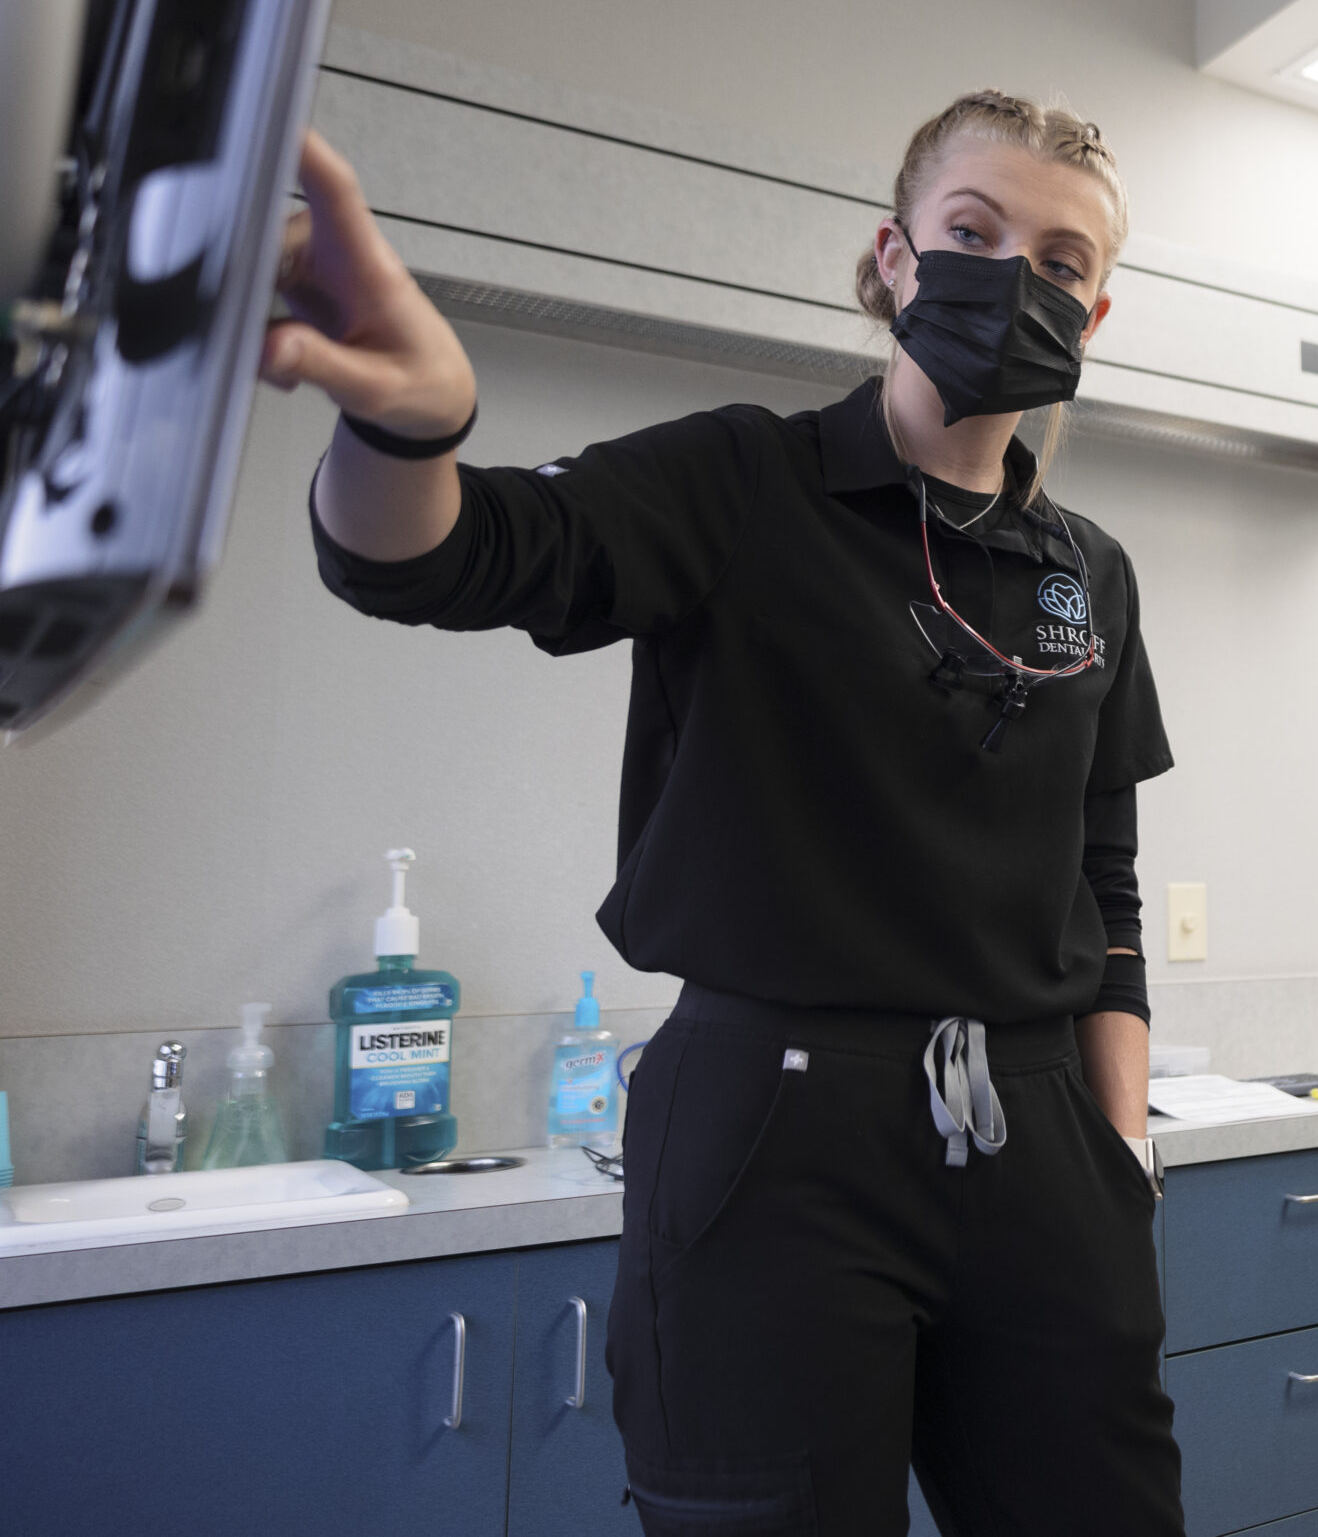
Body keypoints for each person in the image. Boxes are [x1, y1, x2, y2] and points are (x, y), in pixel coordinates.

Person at [263, 94, 1183, 1535]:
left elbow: (1107, 884)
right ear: (893, 258)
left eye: (1063, 261)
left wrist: (1121, 1157)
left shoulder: (1092, 572)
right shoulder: (746, 481)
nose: (1018, 277)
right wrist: (408, 420)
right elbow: (450, 553)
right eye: (972, 233)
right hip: (776, 1134)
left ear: (1100, 309)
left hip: (1042, 1137)